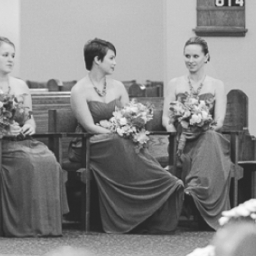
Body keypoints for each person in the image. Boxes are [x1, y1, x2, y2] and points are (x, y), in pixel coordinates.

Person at [70, 38, 184, 234]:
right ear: (97, 59)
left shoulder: (118, 87)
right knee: (119, 141)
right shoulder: (79, 90)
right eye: (111, 58)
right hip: (91, 145)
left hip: (117, 142)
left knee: (126, 143)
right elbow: (88, 126)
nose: (115, 62)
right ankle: (153, 181)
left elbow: (129, 117)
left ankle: (157, 187)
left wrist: (130, 126)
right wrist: (118, 133)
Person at [0, 36, 68, 237]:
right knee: (28, 162)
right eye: (5, 55)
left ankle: (46, 222)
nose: (11, 59)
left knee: (49, 159)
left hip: (21, 141)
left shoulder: (20, 86)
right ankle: (24, 223)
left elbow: (29, 118)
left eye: (13, 55)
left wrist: (29, 126)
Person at [162, 37, 233, 230]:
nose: (191, 60)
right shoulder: (174, 83)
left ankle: (195, 188)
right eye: (187, 56)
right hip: (182, 138)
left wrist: (202, 124)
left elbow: (218, 122)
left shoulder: (217, 85)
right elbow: (166, 119)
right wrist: (175, 135)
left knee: (210, 137)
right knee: (202, 140)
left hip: (206, 134)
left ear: (206, 57)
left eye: (195, 56)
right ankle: (194, 190)